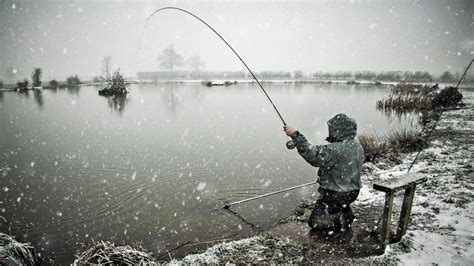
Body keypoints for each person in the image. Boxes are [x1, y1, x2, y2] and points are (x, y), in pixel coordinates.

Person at [283, 113, 365, 234]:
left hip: (335, 195)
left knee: (315, 223)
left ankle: (338, 223)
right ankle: (345, 215)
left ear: (339, 130)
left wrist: (295, 135)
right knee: (341, 202)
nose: (329, 132)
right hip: (353, 192)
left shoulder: (334, 149)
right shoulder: (357, 146)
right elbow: (339, 164)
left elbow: (313, 155)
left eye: (332, 129)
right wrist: (322, 174)